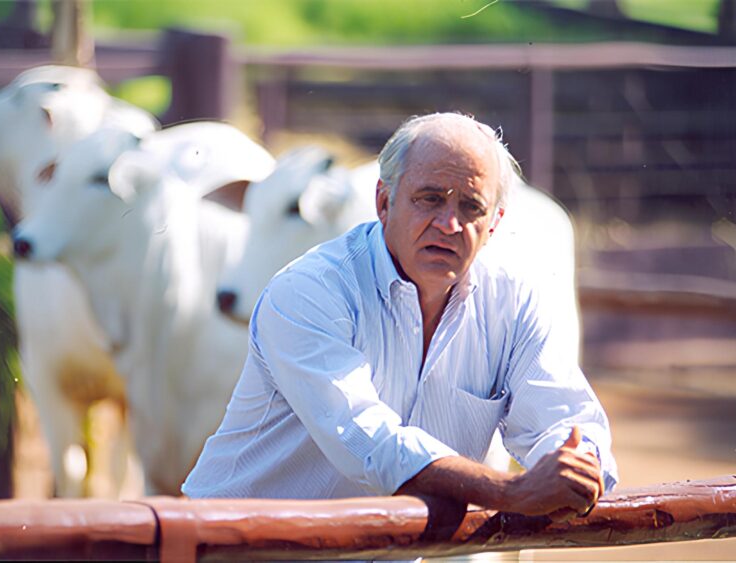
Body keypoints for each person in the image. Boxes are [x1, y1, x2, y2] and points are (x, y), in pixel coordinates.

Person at [183, 112, 617, 520]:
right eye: (429, 199)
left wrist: (575, 463)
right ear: (384, 202)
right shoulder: (309, 290)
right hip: (236, 549)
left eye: (471, 207)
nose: (449, 223)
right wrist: (511, 493)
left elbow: (569, 416)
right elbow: (368, 443)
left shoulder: (512, 302)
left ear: (495, 223)